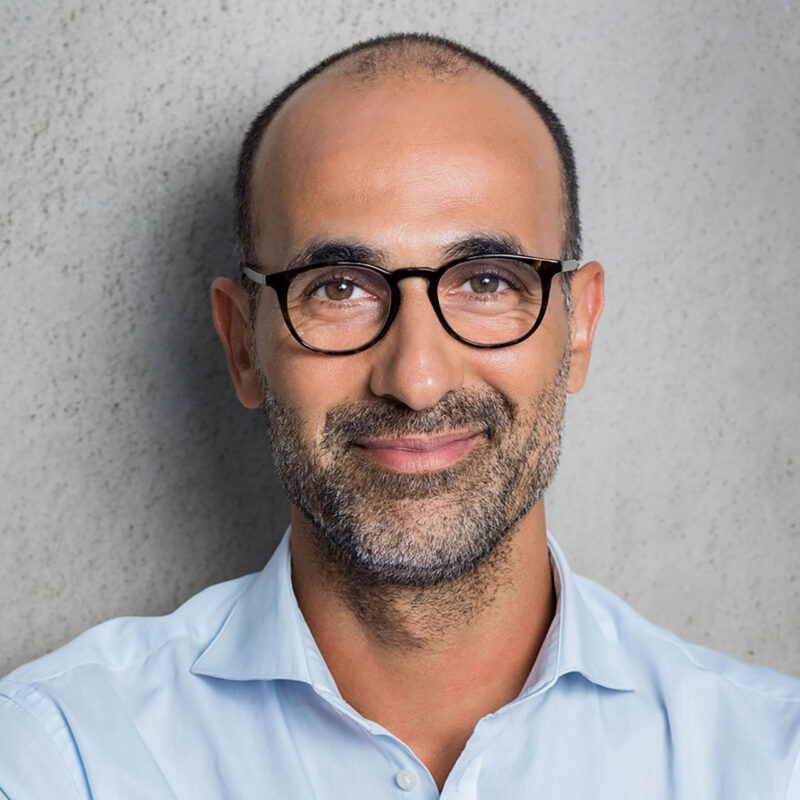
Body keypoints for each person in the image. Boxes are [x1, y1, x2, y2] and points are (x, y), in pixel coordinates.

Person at [1, 32, 798, 800]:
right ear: (243, 344)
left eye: (487, 282)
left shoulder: (770, 763)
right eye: (339, 288)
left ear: (579, 327)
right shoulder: (61, 759)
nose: (416, 379)